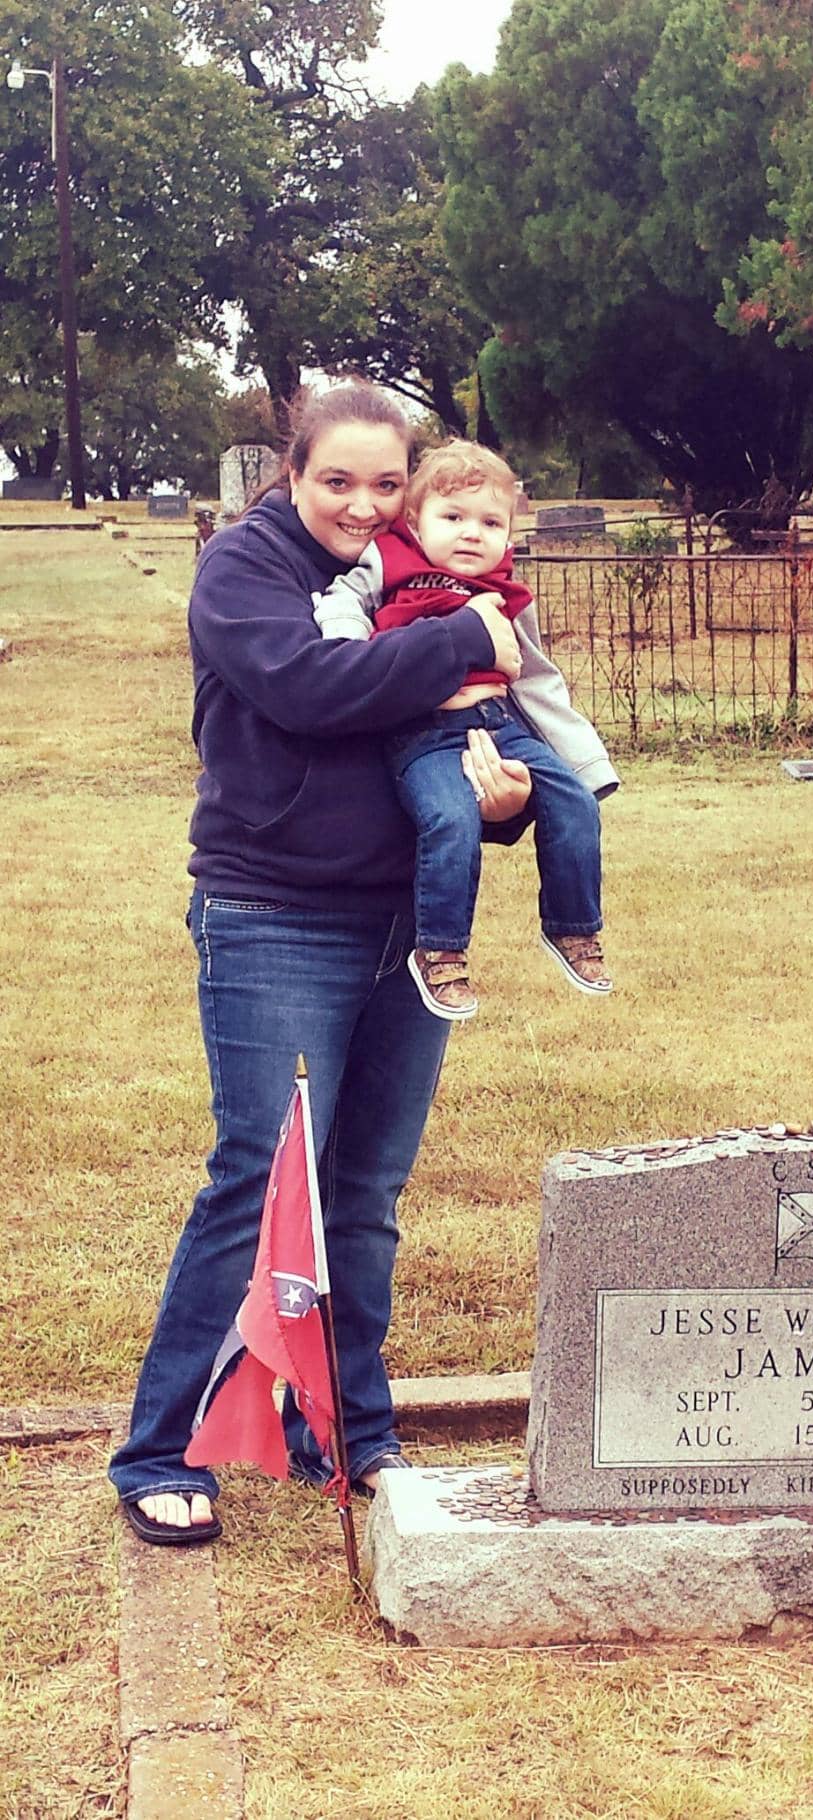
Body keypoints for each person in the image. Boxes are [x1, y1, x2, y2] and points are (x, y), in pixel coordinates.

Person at [108, 381, 534, 1544]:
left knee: (364, 1191)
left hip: (410, 922)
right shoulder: (245, 573)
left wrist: (498, 805)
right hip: (274, 912)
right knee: (260, 1176)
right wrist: (467, 633)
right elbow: (309, 687)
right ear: (290, 475)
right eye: (335, 480)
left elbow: (452, 740)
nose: (360, 503)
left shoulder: (416, 572)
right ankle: (159, 1446)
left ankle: (345, 1427)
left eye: (385, 483)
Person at [312, 440, 618, 1021]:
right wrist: (349, 652)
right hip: (421, 732)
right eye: (452, 518)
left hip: (499, 725)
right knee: (449, 820)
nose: (471, 533)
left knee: (574, 803)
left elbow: (536, 677)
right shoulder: (392, 560)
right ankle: (441, 951)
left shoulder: (504, 589)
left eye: (490, 522)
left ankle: (574, 928)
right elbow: (343, 598)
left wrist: (585, 762)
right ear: (416, 522)